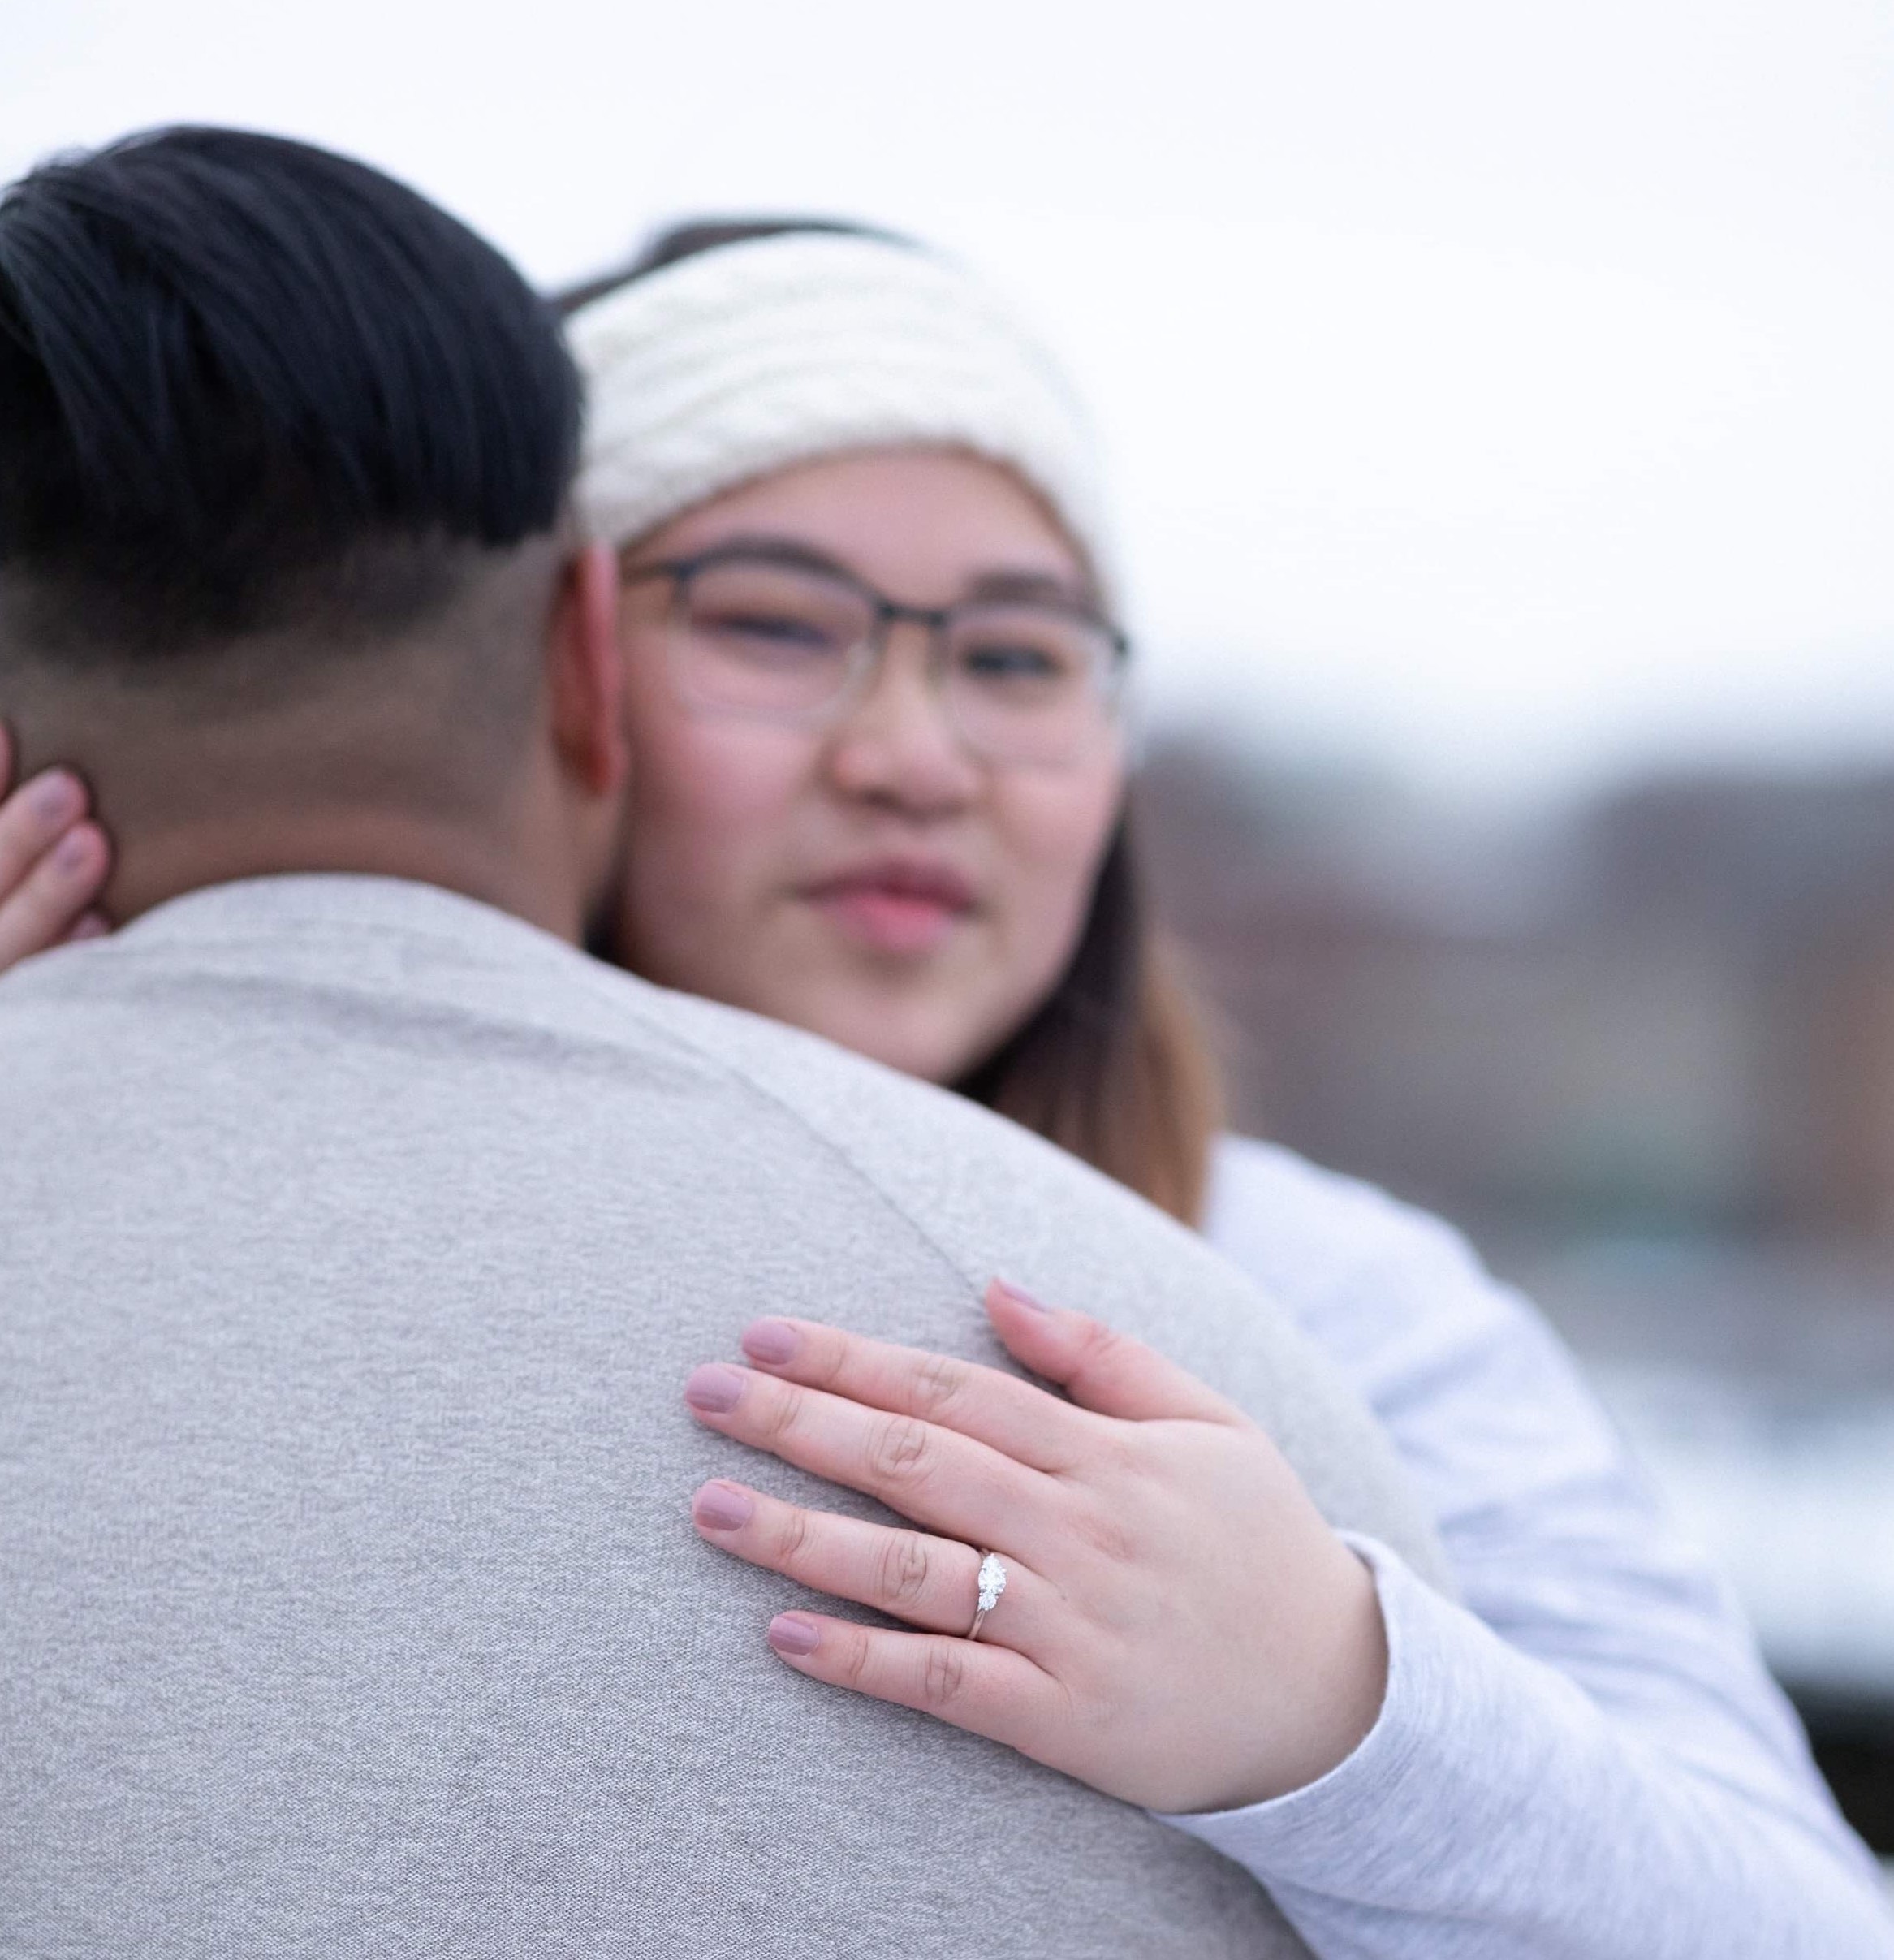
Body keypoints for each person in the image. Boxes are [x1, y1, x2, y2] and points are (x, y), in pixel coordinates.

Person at [3, 192, 1890, 1956]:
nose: (916, 755)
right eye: (772, 623)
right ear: (563, 674)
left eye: (1016, 655)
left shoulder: (1330, 1295)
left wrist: (1343, 1706)